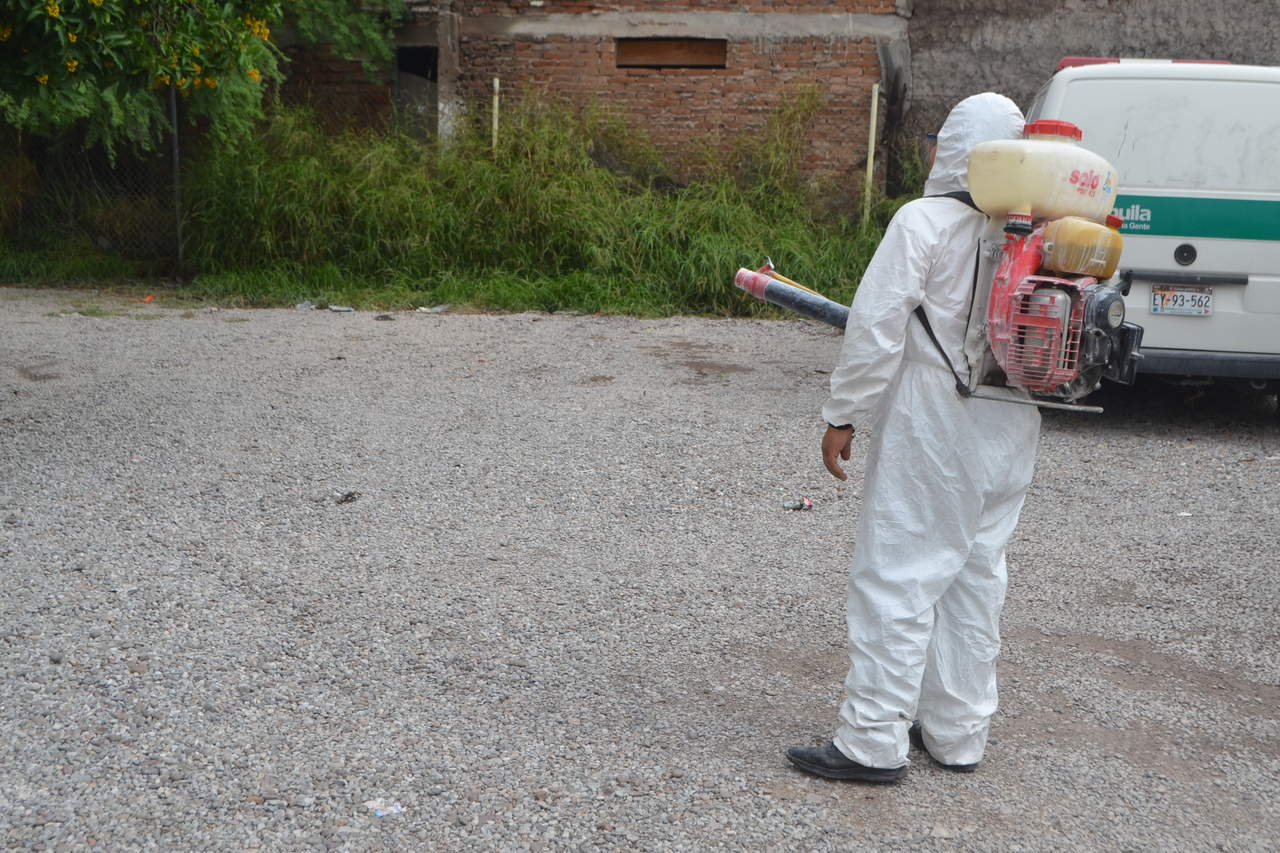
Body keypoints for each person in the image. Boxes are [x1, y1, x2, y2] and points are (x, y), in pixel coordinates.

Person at [785, 93, 1042, 782]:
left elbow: (875, 330)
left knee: (898, 573)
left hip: (938, 422)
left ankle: (871, 742)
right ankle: (959, 735)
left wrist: (843, 414)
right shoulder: (1035, 232)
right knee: (975, 578)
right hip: (1013, 425)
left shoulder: (923, 221)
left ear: (954, 146)